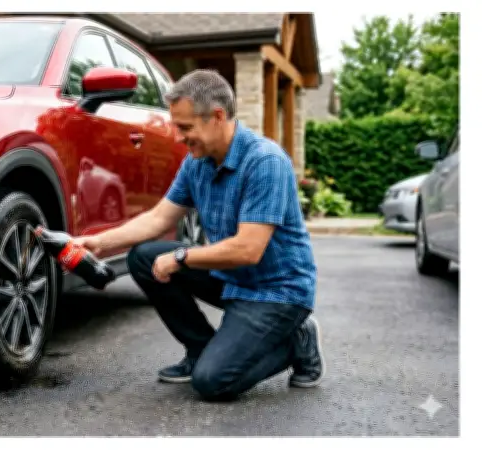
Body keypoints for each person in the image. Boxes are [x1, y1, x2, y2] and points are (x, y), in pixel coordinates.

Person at [73, 69, 323, 401]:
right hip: (232, 278)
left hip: (276, 291)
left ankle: (296, 341)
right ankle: (200, 350)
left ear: (217, 116)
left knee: (213, 382)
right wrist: (97, 242)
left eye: (185, 127)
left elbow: (249, 250)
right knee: (143, 258)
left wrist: (181, 257)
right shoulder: (197, 162)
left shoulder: (265, 162)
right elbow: (159, 217)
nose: (177, 137)